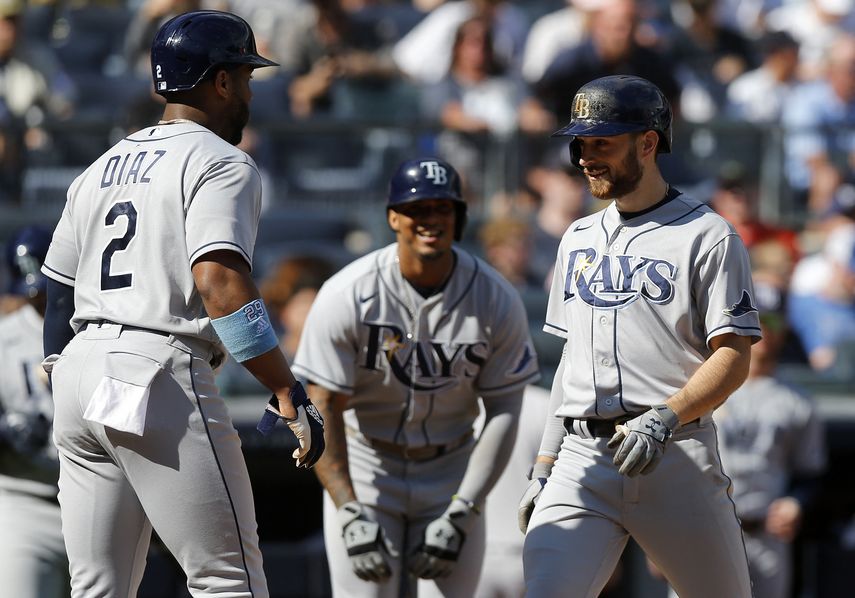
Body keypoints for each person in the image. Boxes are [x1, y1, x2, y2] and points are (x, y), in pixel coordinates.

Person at [38, 11, 324, 597]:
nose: (248, 90)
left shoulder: (98, 169)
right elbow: (219, 282)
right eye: (243, 75)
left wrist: (59, 370)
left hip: (79, 370)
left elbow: (57, 288)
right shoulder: (221, 161)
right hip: (153, 366)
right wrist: (284, 387)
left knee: (98, 588)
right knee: (227, 579)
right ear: (220, 82)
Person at [518, 75, 761, 598]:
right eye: (580, 143)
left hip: (674, 453)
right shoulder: (578, 236)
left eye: (601, 141)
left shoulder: (707, 234)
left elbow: (734, 357)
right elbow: (571, 361)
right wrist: (544, 464)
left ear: (648, 143)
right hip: (583, 460)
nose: (585, 156)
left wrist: (666, 417)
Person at [292, 157, 541, 597]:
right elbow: (321, 405)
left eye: (442, 209)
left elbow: (504, 408)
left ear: (458, 217)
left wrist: (465, 508)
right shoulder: (349, 292)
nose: (430, 220)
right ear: (393, 217)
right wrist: (348, 508)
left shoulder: (495, 297)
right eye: (417, 209)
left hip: (450, 469)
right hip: (368, 466)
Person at [650, 274, 828, 598]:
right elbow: (666, 459)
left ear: (785, 326)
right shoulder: (696, 386)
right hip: (698, 528)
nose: (763, 329)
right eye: (755, 318)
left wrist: (795, 503)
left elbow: (809, 472)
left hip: (765, 535)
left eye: (771, 319)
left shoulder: (797, 400)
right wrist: (660, 532)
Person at [0, 226, 69, 598]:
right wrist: (6, 431)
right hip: (23, 502)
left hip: (96, 504)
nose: (39, 299)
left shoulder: (99, 331)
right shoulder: (3, 338)